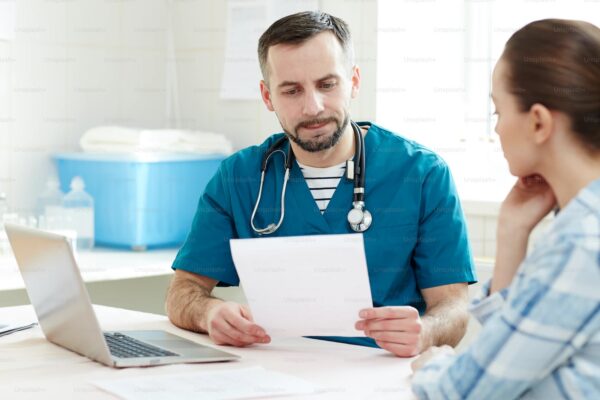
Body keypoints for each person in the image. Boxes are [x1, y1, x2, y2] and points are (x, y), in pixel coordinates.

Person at [166, 11, 476, 357]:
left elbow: (453, 307)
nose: (312, 107)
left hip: (381, 371)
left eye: (327, 85)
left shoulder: (422, 174)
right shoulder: (239, 177)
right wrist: (209, 312)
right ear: (268, 97)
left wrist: (426, 331)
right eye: (292, 90)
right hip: (272, 370)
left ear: (354, 82)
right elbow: (183, 291)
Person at [411, 18, 600, 398]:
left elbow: (464, 392)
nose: (496, 129)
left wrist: (433, 366)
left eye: (498, 111)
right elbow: (514, 353)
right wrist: (512, 234)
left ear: (538, 122)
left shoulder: (582, 244)